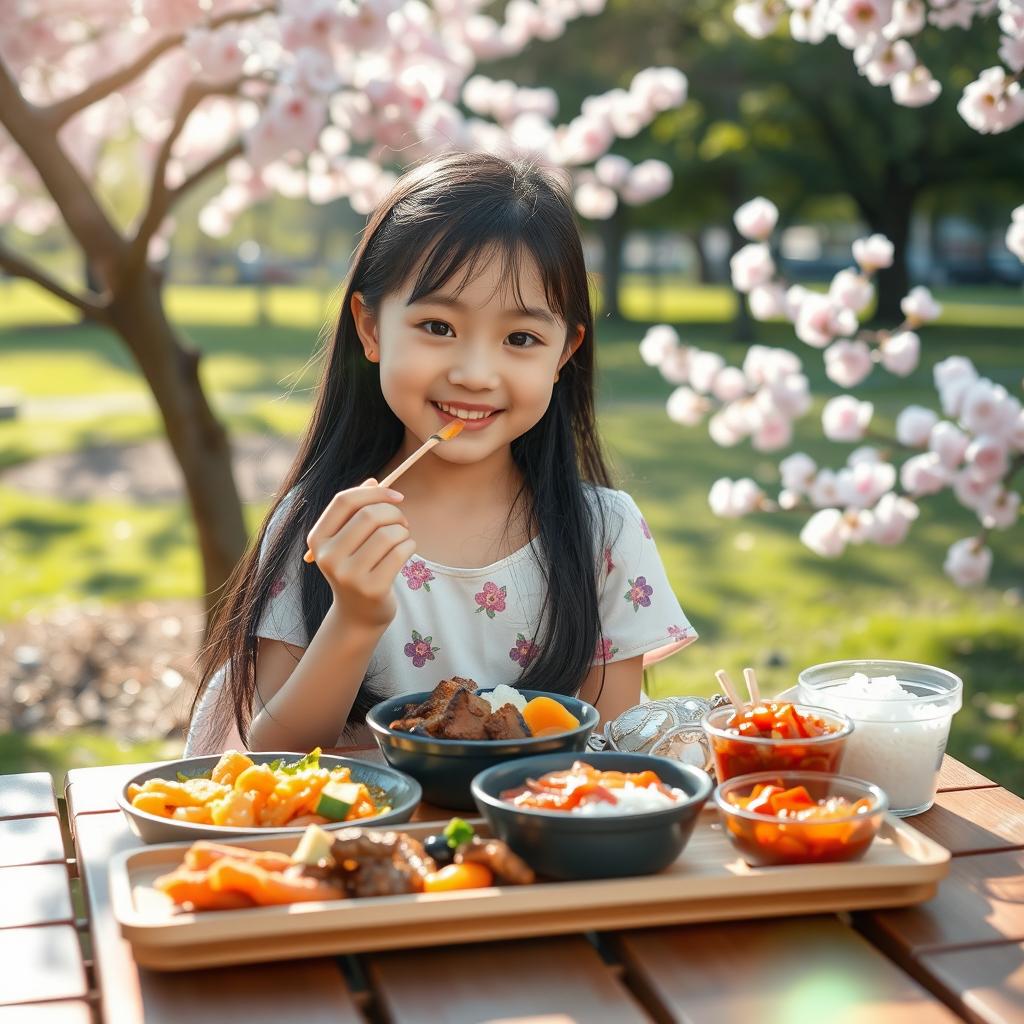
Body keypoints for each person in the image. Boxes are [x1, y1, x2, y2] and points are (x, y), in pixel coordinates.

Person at [185, 151, 697, 755]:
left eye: (521, 338)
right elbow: (275, 761)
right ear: (371, 329)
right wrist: (353, 618)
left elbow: (609, 762)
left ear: (563, 354)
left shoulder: (604, 538)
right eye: (438, 327)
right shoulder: (322, 528)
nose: (476, 374)